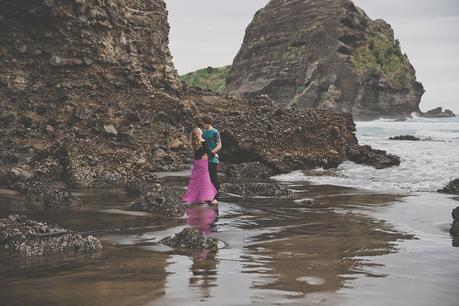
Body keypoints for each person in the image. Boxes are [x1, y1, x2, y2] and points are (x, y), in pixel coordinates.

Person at [182, 127, 218, 205]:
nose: (202, 130)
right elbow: (208, 151)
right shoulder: (202, 141)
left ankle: (192, 197)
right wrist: (215, 155)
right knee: (205, 181)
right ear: (199, 133)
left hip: (196, 163)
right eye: (200, 130)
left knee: (195, 180)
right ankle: (209, 198)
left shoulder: (194, 142)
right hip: (203, 163)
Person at [201, 115, 222, 202]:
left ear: (208, 123)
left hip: (212, 159)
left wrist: (211, 154)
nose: (202, 124)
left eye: (204, 123)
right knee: (206, 179)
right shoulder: (203, 132)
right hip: (204, 158)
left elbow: (219, 145)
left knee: (213, 179)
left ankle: (216, 198)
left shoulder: (215, 132)